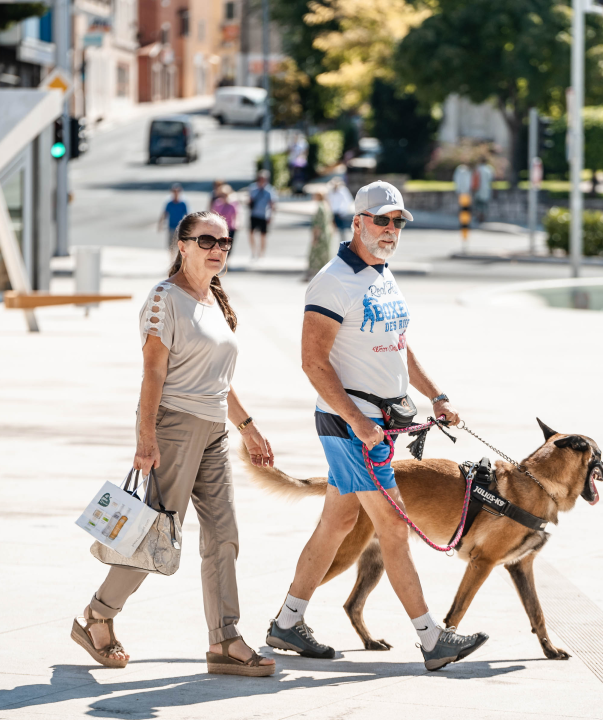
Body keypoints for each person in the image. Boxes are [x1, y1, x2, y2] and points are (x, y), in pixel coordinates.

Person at [265, 181, 489, 672]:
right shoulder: (332, 281)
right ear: (358, 221)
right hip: (354, 427)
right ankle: (433, 640)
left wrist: (437, 396)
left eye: (398, 221)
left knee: (337, 523)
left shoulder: (382, 275)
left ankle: (286, 622)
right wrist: (358, 421)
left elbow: (398, 345)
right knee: (392, 526)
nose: (391, 229)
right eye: (382, 220)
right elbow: (312, 361)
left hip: (379, 423)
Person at [72, 210, 276, 677]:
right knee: (156, 538)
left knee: (224, 536)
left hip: (215, 434)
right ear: (181, 245)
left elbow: (219, 378)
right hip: (175, 429)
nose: (217, 250)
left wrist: (247, 427)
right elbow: (153, 375)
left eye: (225, 242)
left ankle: (225, 639)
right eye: (206, 241)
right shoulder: (165, 299)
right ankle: (99, 615)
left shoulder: (215, 300)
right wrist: (145, 439)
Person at [246, 170, 278, 259]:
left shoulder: (270, 190)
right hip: (254, 214)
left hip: (264, 215)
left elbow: (272, 204)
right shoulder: (253, 188)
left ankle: (261, 252)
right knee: (251, 233)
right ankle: (254, 250)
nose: (262, 180)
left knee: (263, 235)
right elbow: (249, 200)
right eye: (260, 178)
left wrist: (271, 215)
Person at [305, 191, 333, 281]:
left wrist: (315, 237)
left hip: (321, 235)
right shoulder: (327, 206)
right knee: (326, 254)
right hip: (327, 234)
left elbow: (317, 225)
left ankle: (314, 274)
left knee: (315, 254)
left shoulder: (320, 207)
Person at [159, 184, 189, 261]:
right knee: (171, 245)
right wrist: (160, 224)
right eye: (174, 191)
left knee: (180, 245)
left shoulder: (183, 204)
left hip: (180, 228)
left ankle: (179, 260)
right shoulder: (169, 204)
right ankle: (172, 260)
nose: (176, 193)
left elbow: (187, 215)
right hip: (171, 227)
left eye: (177, 191)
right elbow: (164, 214)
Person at [327, 178, 355, 244]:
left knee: (342, 230)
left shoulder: (343, 191)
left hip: (340, 213)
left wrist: (343, 210)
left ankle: (343, 243)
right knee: (331, 228)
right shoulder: (331, 192)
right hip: (333, 212)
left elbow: (348, 201)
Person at [472, 160, 494, 224]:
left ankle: (479, 217)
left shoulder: (478, 168)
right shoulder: (489, 169)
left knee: (478, 204)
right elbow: (491, 179)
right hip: (486, 190)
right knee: (484, 205)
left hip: (478, 189)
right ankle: (483, 217)